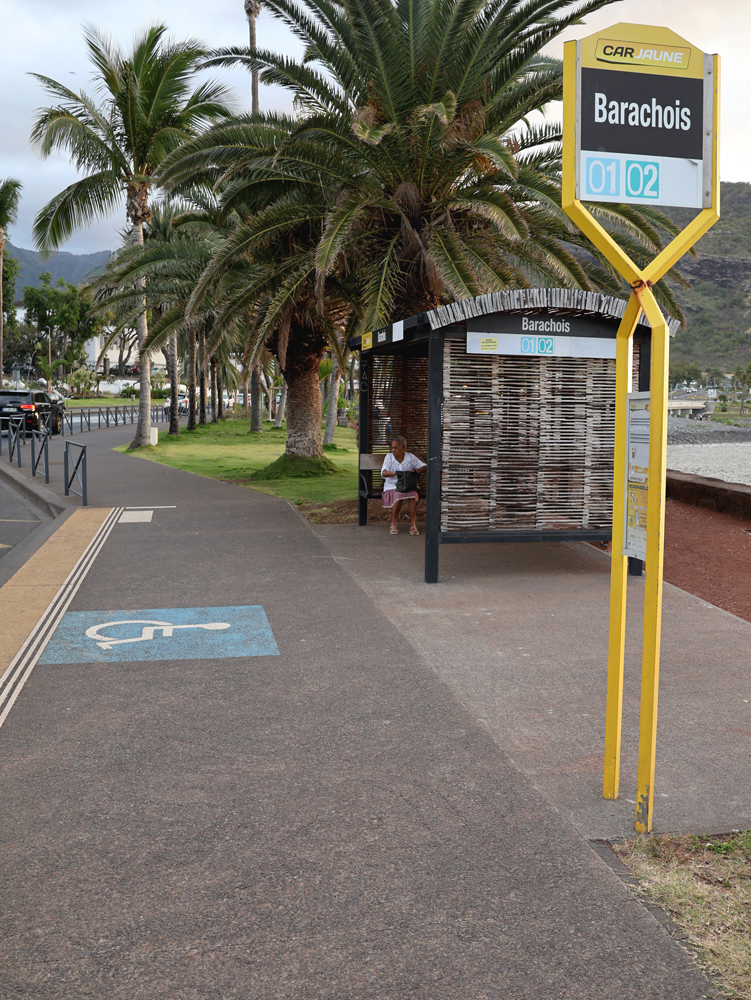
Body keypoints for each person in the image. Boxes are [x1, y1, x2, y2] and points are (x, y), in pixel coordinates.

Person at [381, 436, 426, 536]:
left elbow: (424, 466)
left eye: (396, 448)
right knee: (398, 495)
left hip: (407, 485)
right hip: (392, 485)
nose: (393, 450)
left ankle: (412, 525)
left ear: (403, 448)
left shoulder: (410, 457)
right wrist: (395, 473)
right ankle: (393, 524)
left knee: (413, 495)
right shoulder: (389, 457)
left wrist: (414, 471)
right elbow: (383, 473)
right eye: (392, 447)